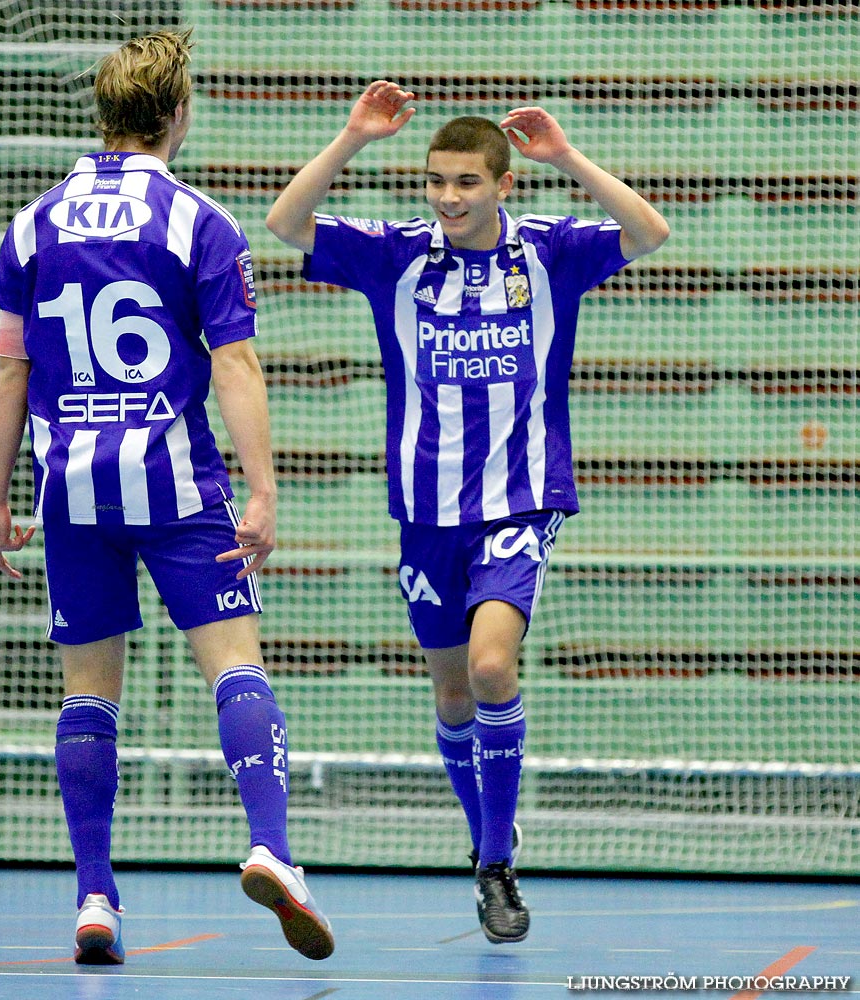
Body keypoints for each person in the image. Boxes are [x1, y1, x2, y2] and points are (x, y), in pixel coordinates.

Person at [265, 81, 669, 943]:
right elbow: (285, 224)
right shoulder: (398, 254)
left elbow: (648, 232)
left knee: (491, 670)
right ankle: (489, 828)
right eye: (436, 181)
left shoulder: (550, 251)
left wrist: (564, 157)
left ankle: (494, 865)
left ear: (501, 184)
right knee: (452, 696)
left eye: (466, 183)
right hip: (424, 510)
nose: (448, 198)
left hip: (519, 499)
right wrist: (349, 139)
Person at [0, 28, 334, 964]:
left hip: (71, 490)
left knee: (89, 696)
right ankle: (272, 847)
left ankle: (95, 897)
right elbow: (237, 364)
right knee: (232, 666)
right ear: (178, 114)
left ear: (102, 114)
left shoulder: (33, 223)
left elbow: (10, 376)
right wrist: (262, 492)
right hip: (174, 482)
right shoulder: (198, 222)